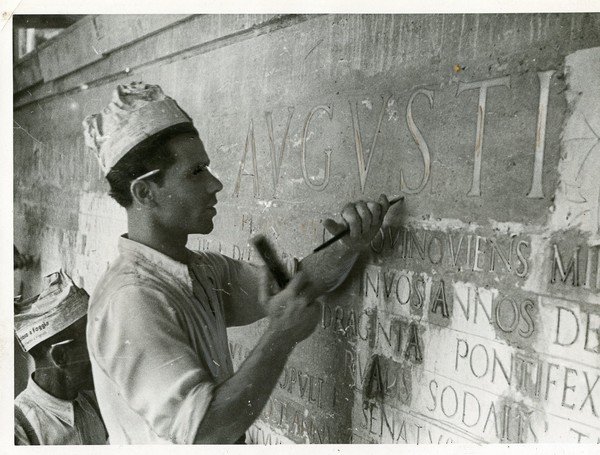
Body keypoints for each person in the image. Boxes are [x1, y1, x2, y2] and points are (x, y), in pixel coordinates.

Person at [83, 82, 391, 444]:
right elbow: (206, 431)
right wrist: (281, 334)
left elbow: (297, 285)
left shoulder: (199, 270)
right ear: (144, 193)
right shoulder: (131, 299)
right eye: (195, 172)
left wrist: (350, 244)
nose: (215, 184)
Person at [14, 270, 107, 445]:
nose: (103, 351)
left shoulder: (94, 403)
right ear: (61, 356)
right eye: (93, 342)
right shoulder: (17, 428)